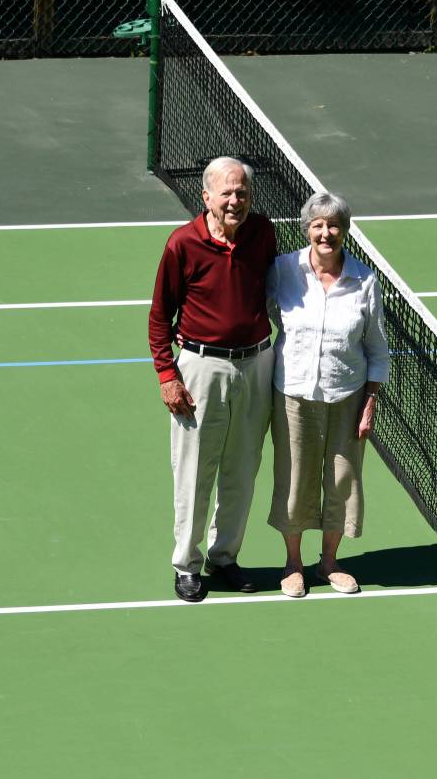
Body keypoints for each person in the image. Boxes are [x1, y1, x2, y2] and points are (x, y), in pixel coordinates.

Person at [148, 157, 276, 602]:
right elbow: (160, 316)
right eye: (227, 193)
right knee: (195, 470)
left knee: (242, 467)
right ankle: (187, 564)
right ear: (206, 198)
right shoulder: (182, 244)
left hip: (258, 364)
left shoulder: (263, 233)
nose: (235, 200)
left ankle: (225, 557)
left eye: (242, 192)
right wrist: (168, 374)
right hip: (201, 369)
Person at [267, 191, 390, 598]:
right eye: (318, 225)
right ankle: (293, 564)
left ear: (345, 231)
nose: (326, 233)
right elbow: (257, 315)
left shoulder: (364, 281)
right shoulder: (284, 270)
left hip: (347, 397)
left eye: (334, 225)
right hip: (293, 395)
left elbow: (376, 348)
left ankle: (329, 563)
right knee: (294, 478)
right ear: (307, 230)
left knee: (342, 479)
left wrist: (370, 401)